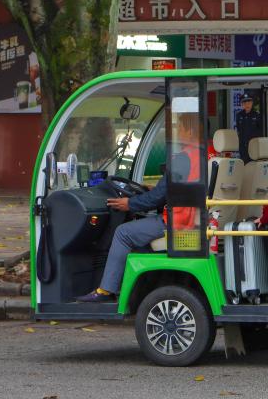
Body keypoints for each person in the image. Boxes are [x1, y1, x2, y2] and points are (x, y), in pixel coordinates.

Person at [77, 112, 201, 303]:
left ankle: (106, 290)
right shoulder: (201, 155)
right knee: (139, 233)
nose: (176, 132)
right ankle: (140, 287)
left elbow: (157, 198)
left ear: (191, 131)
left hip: (179, 221)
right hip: (192, 218)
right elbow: (176, 188)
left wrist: (129, 203)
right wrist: (150, 190)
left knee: (123, 233)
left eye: (180, 127)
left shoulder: (183, 158)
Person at [234, 93, 262, 162]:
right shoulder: (239, 115)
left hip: (254, 145)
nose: (247, 104)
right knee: (244, 163)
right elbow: (238, 130)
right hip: (242, 146)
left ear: (252, 103)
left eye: (249, 102)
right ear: (241, 104)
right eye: (244, 102)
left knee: (253, 164)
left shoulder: (257, 115)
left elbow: (261, 131)